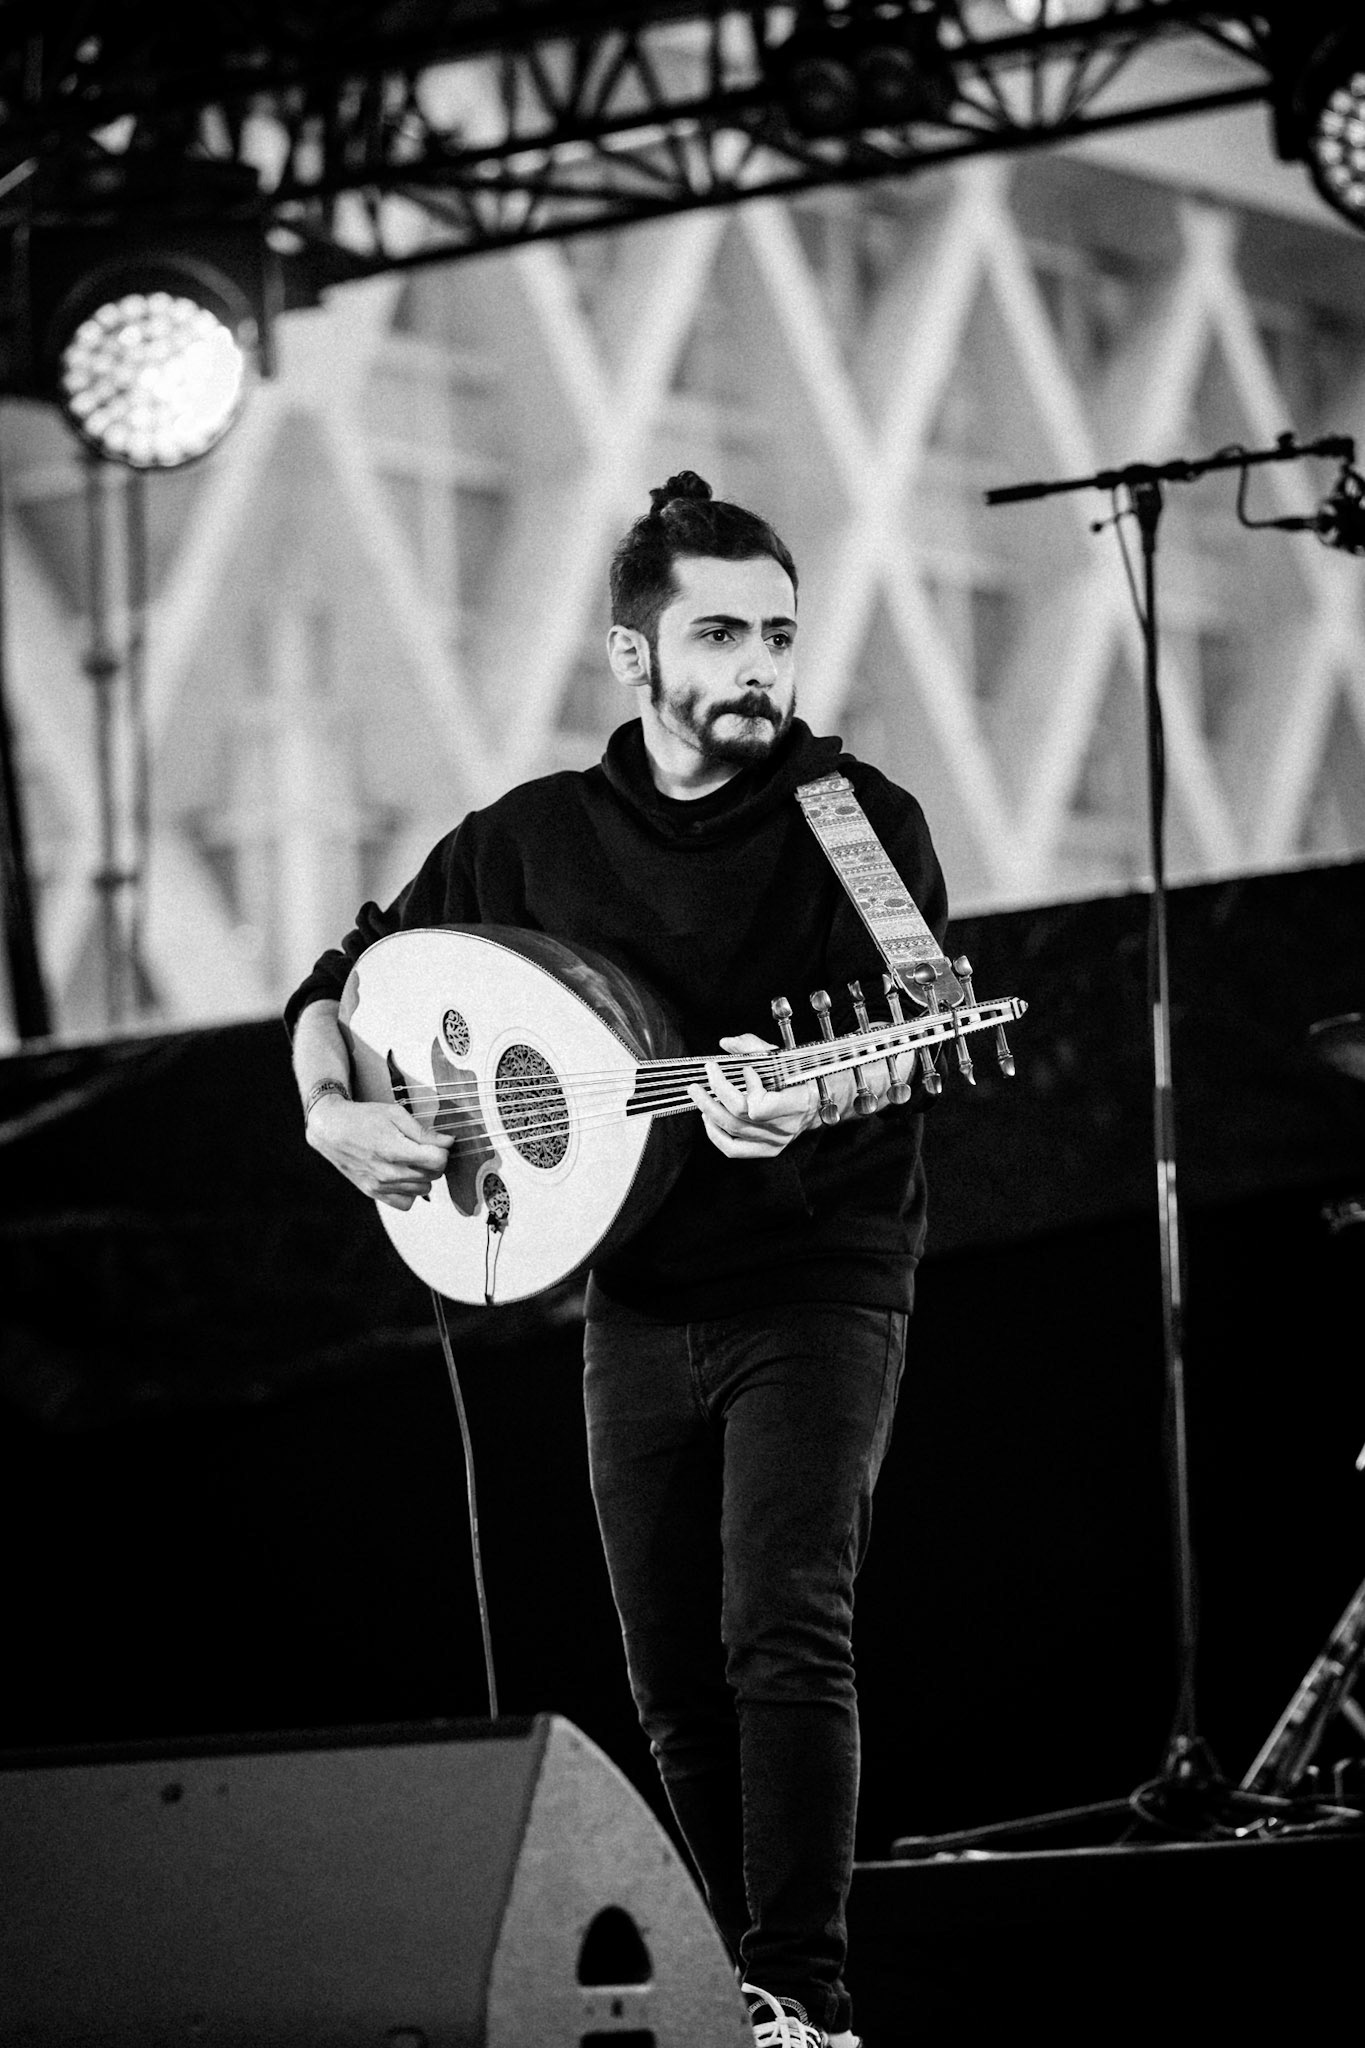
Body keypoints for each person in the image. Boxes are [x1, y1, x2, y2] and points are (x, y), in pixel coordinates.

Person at [286, 471, 948, 2048]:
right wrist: (330, 1108)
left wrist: (807, 1101)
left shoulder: (853, 820)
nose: (759, 667)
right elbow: (339, 983)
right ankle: (729, 1990)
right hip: (633, 1294)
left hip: (816, 1280)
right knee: (666, 1672)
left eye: (777, 634)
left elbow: (928, 1025)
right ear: (633, 656)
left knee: (781, 1626)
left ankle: (804, 1992)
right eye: (720, 634)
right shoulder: (526, 841)